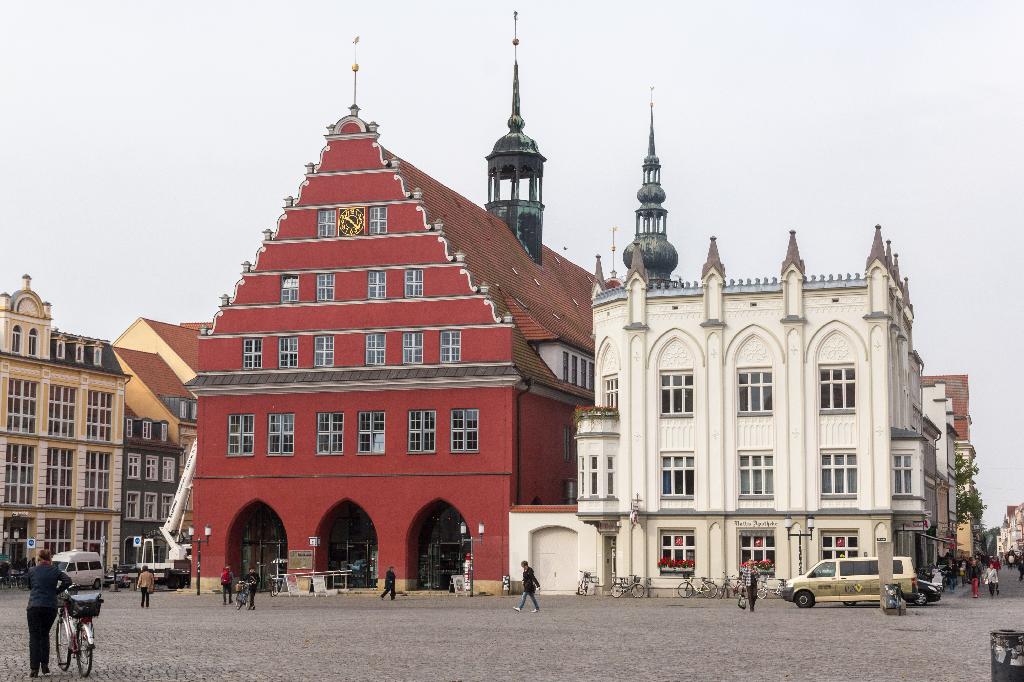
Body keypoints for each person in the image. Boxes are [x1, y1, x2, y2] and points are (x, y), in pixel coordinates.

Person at [26, 549, 73, 678]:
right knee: (45, 635)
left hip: (34, 607)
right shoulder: (55, 570)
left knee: (34, 637)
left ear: (39, 558)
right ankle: (45, 665)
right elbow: (68, 581)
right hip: (50, 607)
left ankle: (34, 669)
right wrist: (56, 591)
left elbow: (29, 586)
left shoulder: (32, 570)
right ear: (49, 559)